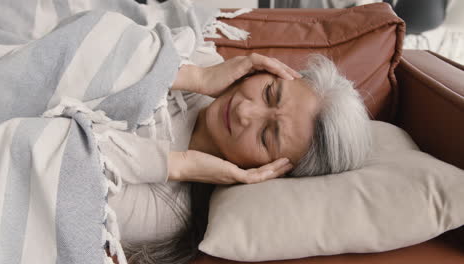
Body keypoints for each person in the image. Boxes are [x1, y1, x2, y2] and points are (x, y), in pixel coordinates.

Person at [93, 53, 372, 263]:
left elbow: (66, 154)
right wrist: (195, 77)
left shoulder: (166, 208)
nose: (244, 112)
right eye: (269, 93)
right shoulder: (204, 62)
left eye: (266, 136)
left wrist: (178, 163)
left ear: (272, 172)